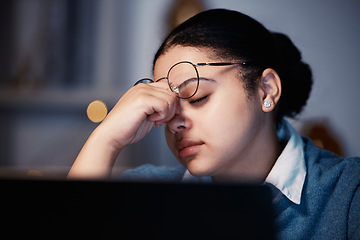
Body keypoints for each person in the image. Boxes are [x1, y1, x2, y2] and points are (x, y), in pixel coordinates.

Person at [68, 9, 360, 239]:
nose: (175, 124)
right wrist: (106, 138)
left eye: (198, 96)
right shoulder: (149, 193)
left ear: (266, 90)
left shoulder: (348, 193)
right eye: (167, 108)